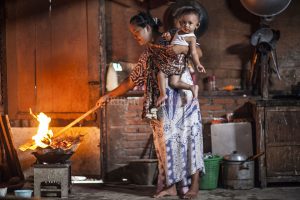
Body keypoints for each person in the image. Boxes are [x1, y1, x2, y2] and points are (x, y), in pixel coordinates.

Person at [96, 11, 205, 199]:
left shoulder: (172, 34)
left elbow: (198, 51)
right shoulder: (147, 54)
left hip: (183, 98)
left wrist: (180, 50)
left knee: (190, 138)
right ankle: (171, 186)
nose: (135, 36)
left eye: (136, 31)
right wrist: (108, 96)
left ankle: (194, 186)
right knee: (166, 145)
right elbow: (131, 81)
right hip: (161, 104)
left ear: (147, 28)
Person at [152, 7, 206, 106]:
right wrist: (169, 38)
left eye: (190, 23)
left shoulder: (191, 38)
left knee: (160, 74)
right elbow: (175, 40)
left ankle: (163, 95)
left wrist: (198, 64)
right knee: (174, 83)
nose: (186, 25)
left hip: (176, 61)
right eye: (183, 22)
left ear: (197, 25)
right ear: (180, 22)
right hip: (175, 63)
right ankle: (192, 87)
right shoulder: (178, 32)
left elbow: (194, 52)